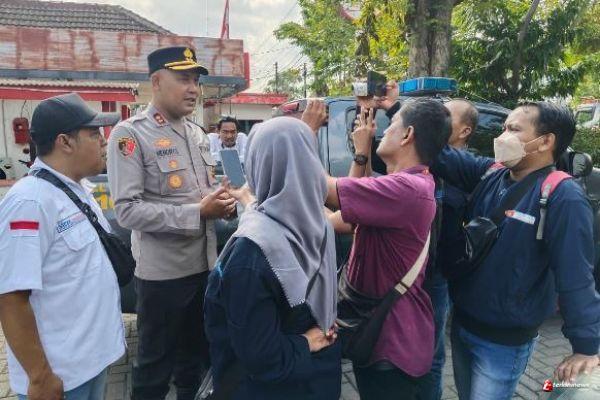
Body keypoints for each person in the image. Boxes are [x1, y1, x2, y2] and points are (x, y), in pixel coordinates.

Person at [432, 101, 600, 399]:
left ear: (545, 141)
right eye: (503, 128)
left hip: (503, 343)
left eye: (514, 129)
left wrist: (585, 347)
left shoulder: (563, 197)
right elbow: (442, 155)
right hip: (463, 324)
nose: (502, 137)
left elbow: (576, 276)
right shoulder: (491, 174)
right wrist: (394, 110)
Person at [107, 46, 236, 400]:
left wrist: (222, 203)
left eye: (196, 80)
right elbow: (128, 211)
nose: (193, 88)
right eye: (183, 79)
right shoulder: (130, 135)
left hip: (203, 268)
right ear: (156, 82)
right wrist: (198, 212)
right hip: (163, 278)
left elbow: (203, 193)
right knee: (153, 370)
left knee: (192, 362)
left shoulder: (197, 133)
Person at [307, 97, 451, 399]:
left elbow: (324, 189)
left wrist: (305, 133)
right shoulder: (407, 184)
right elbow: (343, 219)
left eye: (391, 125)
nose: (383, 132)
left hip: (391, 345)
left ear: (408, 134)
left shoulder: (407, 190)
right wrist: (361, 154)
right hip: (381, 333)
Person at [204, 116, 341, 399]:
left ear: (257, 166)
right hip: (322, 375)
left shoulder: (251, 254)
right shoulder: (320, 224)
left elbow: (260, 356)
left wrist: (304, 343)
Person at [0, 93, 125, 400]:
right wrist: (40, 376)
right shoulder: (29, 202)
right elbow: (10, 296)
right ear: (65, 142)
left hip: (90, 362)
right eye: (94, 134)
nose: (103, 141)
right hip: (60, 376)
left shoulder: (76, 189)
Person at [418, 99, 479, 400]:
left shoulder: (473, 172)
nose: (437, 121)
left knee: (431, 352)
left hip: (438, 274)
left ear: (465, 130)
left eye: (446, 116)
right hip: (407, 269)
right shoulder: (422, 156)